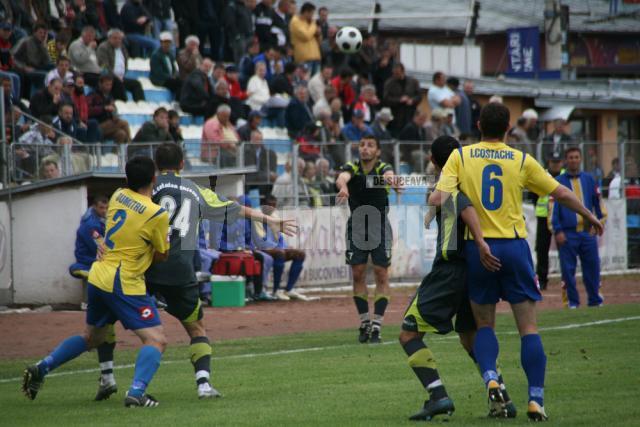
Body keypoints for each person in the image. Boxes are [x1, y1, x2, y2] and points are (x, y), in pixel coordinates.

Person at [428, 103, 604, 421]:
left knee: (484, 325)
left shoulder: (460, 156)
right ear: (509, 128)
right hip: (513, 246)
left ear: (478, 125)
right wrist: (588, 214)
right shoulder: (521, 159)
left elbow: (440, 196)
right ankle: (536, 399)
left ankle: (491, 375)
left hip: (478, 248)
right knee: (528, 328)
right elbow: (560, 192)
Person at [22, 156, 171, 408]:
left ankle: (42, 367)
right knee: (156, 339)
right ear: (154, 179)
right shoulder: (156, 213)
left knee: (91, 337)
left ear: (127, 179)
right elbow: (162, 255)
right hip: (124, 281)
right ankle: (136, 392)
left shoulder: (118, 195)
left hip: (99, 275)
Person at [400, 135, 514, 421]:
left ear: (433, 160)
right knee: (470, 337)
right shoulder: (469, 178)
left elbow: (462, 205)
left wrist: (479, 240)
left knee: (409, 333)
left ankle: (438, 396)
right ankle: (502, 399)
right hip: (473, 270)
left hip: (451, 271)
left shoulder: (451, 183)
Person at [335, 135, 402, 343]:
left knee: (382, 274)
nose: (365, 148)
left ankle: (377, 326)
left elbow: (389, 175)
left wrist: (393, 181)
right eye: (362, 145)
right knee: (358, 273)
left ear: (378, 151)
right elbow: (342, 177)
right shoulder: (352, 167)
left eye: (370, 145)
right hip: (356, 226)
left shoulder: (383, 167)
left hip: (379, 226)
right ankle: (364, 323)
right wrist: (343, 187)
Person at [551, 147, 607, 309]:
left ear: (580, 159)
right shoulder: (558, 181)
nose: (574, 160)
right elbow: (553, 208)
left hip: (587, 233)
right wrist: (557, 230)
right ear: (565, 160)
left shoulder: (589, 180)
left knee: (592, 268)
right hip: (567, 234)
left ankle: (595, 300)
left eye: (576, 157)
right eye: (570, 157)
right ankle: (571, 303)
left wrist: (599, 223)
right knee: (567, 271)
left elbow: (599, 205)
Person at [255, 194, 308, 300]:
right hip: (260, 248)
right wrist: (278, 249)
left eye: (274, 205)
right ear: (262, 205)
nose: (272, 208)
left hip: (274, 248)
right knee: (280, 253)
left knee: (300, 254)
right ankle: (276, 291)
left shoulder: (274, 215)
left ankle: (288, 290)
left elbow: (279, 237)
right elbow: (259, 239)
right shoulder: (256, 216)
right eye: (269, 205)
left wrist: (285, 247)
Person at [533, 153, 564, 291]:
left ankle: (566, 279)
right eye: (553, 161)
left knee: (565, 249)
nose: (555, 164)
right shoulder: (542, 174)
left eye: (558, 161)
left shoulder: (565, 175)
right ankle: (542, 280)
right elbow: (533, 194)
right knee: (542, 249)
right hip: (543, 217)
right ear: (549, 162)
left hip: (561, 217)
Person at [96, 28, 145, 102]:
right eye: (115, 38)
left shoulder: (122, 48)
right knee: (118, 83)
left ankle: (141, 105)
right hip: (108, 77)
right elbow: (104, 66)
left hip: (121, 77)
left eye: (119, 38)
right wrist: (116, 77)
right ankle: (123, 103)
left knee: (136, 84)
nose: (118, 40)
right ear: (109, 38)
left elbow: (125, 63)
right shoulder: (103, 48)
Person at [88, 73, 131, 144]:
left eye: (110, 84)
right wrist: (104, 108)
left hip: (109, 125)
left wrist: (115, 115)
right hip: (97, 125)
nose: (109, 87)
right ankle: (131, 147)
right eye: (107, 84)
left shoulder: (109, 96)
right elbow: (89, 111)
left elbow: (113, 110)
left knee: (121, 134)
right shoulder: (92, 95)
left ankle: (116, 154)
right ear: (100, 84)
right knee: (124, 123)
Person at [12, 21, 52, 98]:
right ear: (34, 32)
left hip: (37, 67)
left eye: (44, 33)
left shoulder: (42, 44)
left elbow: (47, 61)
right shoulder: (25, 42)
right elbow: (12, 58)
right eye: (40, 33)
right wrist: (24, 67)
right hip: (24, 67)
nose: (43, 35)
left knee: (53, 67)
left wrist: (44, 46)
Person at [383, 63, 422, 136]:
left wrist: (412, 100)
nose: (396, 75)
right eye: (394, 73)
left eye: (398, 73)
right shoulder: (389, 83)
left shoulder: (413, 82)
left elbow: (419, 96)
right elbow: (386, 98)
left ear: (403, 71)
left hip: (410, 113)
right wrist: (399, 100)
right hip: (396, 116)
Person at [289, 2, 320, 74]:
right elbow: (306, 36)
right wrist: (313, 24)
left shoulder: (308, 23)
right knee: (305, 80)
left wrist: (318, 34)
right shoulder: (295, 21)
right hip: (304, 58)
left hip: (315, 56)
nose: (312, 16)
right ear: (306, 12)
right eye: (311, 13)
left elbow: (318, 40)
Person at [149, 32, 181, 97]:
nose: (167, 45)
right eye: (165, 42)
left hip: (169, 78)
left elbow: (174, 67)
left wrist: (175, 75)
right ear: (161, 43)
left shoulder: (170, 54)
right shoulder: (156, 55)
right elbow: (158, 72)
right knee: (177, 83)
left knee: (182, 82)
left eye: (168, 42)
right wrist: (171, 77)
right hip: (159, 79)